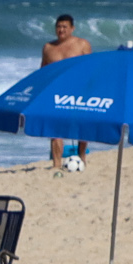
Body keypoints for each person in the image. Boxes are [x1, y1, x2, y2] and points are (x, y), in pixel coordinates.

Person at [41, 15, 92, 167]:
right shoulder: (48, 48)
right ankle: (56, 164)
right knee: (56, 129)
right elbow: (43, 71)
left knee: (82, 127)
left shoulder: (82, 44)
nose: (61, 30)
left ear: (72, 28)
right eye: (59, 26)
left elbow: (91, 70)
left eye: (65, 27)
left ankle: (82, 156)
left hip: (79, 91)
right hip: (56, 93)